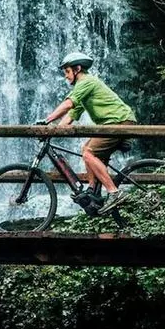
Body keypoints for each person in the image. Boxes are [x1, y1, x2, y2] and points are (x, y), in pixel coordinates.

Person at [38, 52, 137, 214]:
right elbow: (70, 116)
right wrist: (52, 131)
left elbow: (68, 104)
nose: (66, 76)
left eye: (67, 72)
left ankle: (114, 192)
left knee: (88, 153)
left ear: (77, 69)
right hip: (115, 122)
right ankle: (93, 191)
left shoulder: (86, 81)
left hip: (119, 121)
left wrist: (47, 121)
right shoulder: (83, 90)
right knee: (86, 149)